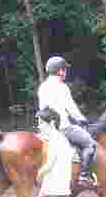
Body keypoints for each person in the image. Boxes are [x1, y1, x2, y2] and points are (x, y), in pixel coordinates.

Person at [37, 55, 97, 188]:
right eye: (64, 70)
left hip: (46, 129)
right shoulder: (62, 87)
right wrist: (82, 119)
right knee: (90, 144)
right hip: (63, 127)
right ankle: (85, 176)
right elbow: (71, 107)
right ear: (60, 71)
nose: (65, 72)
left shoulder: (43, 86)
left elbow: (44, 109)